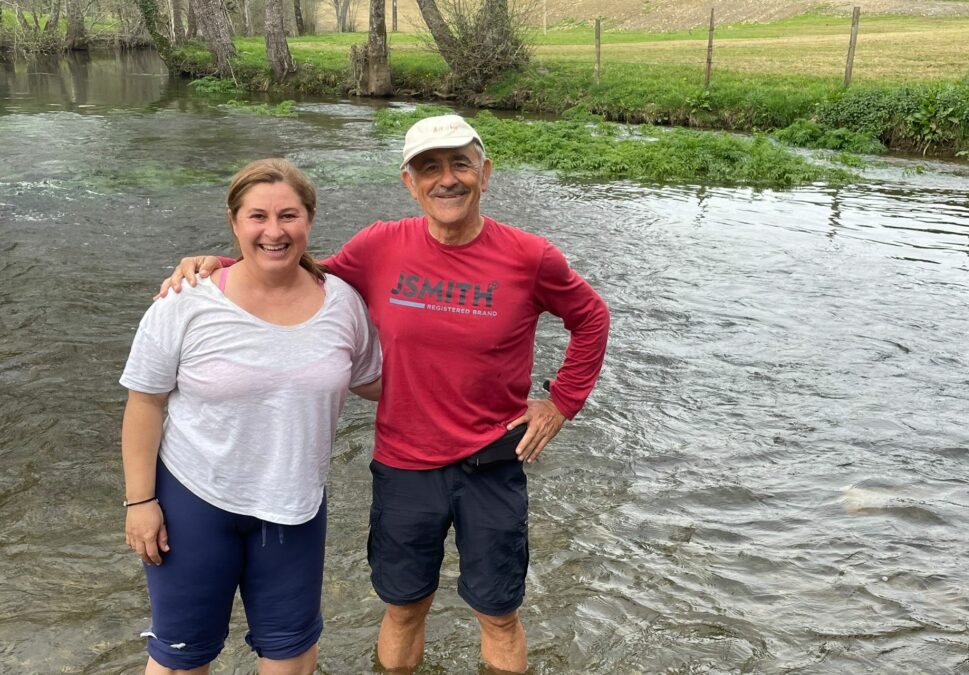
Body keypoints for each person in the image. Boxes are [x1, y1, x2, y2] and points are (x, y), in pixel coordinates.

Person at [160, 115, 610, 673]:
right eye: (429, 168)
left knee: (498, 614)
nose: (446, 179)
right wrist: (221, 265)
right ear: (409, 181)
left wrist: (561, 402)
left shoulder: (529, 257)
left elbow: (591, 317)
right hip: (405, 464)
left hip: (494, 462)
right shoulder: (380, 245)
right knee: (402, 608)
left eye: (460, 164)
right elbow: (305, 275)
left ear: (485, 174)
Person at [122, 158, 382, 675]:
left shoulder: (344, 304)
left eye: (289, 215)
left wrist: (474, 371)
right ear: (234, 222)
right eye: (257, 216)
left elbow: (378, 384)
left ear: (309, 219)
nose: (274, 231)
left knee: (290, 654)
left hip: (295, 506)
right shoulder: (184, 301)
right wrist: (140, 501)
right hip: (193, 501)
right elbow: (144, 404)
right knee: (180, 656)